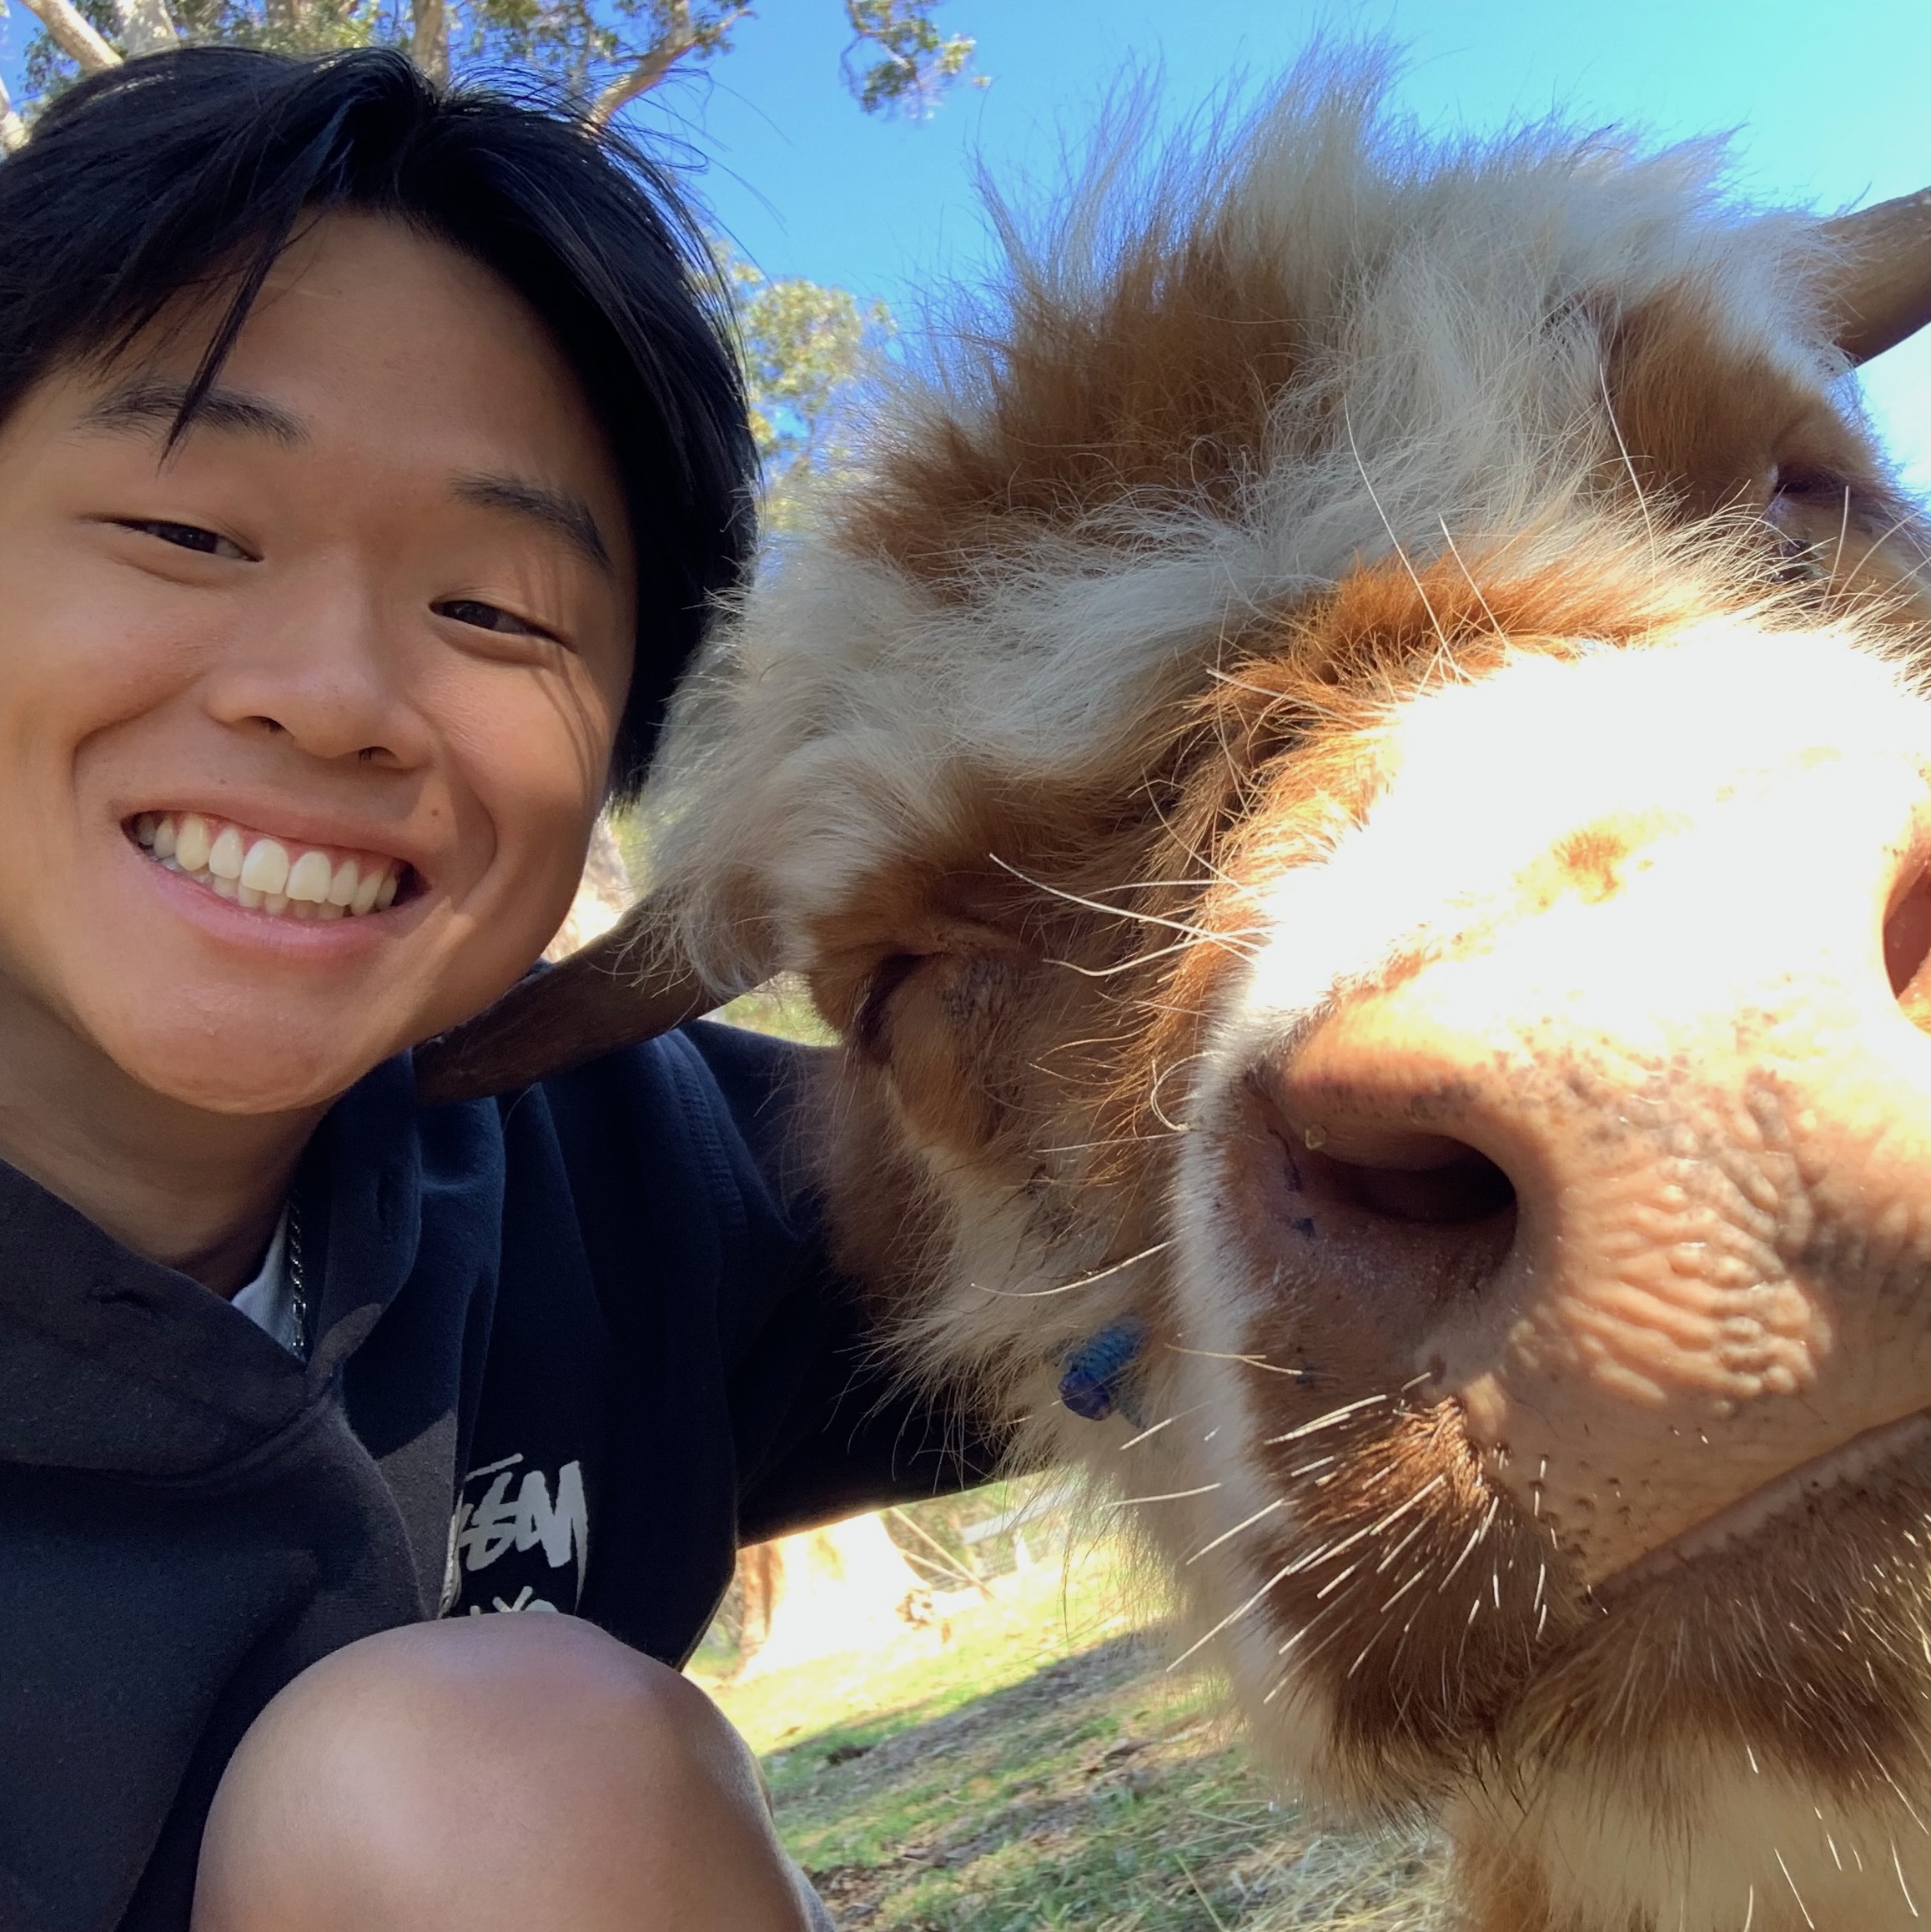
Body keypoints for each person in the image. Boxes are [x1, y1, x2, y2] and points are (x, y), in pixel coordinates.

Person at [0, 44, 983, 1931]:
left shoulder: (634, 1160)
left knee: (491, 1777)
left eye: (496, 614)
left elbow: (1162, 1230)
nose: (335, 693)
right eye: (189, 533)